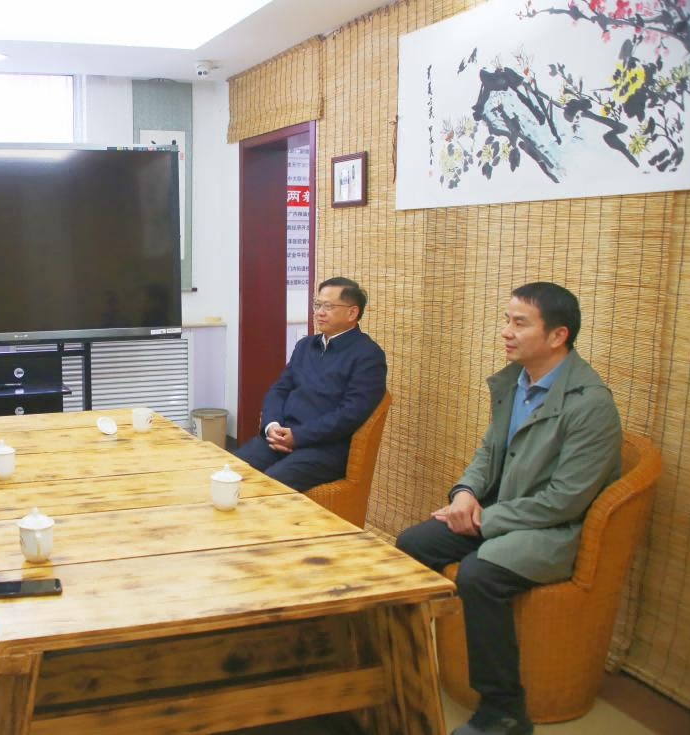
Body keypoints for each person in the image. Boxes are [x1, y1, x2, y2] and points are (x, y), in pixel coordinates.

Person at [396, 282, 622, 735]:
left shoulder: (591, 404)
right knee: (411, 544)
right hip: (500, 512)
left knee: (479, 575)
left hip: (552, 529)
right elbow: (487, 452)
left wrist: (484, 519)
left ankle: (503, 710)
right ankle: (402, 664)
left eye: (519, 323)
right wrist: (464, 494)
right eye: (506, 320)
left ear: (557, 336)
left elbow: (564, 501)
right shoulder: (515, 382)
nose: (506, 332)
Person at [235, 277, 387, 491]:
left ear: (352, 313)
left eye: (328, 307)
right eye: (317, 305)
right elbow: (279, 390)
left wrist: (298, 437)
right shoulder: (305, 346)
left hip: (325, 448)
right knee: (230, 471)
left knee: (267, 487)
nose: (319, 313)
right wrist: (271, 426)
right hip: (282, 437)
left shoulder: (368, 355)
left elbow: (351, 414)